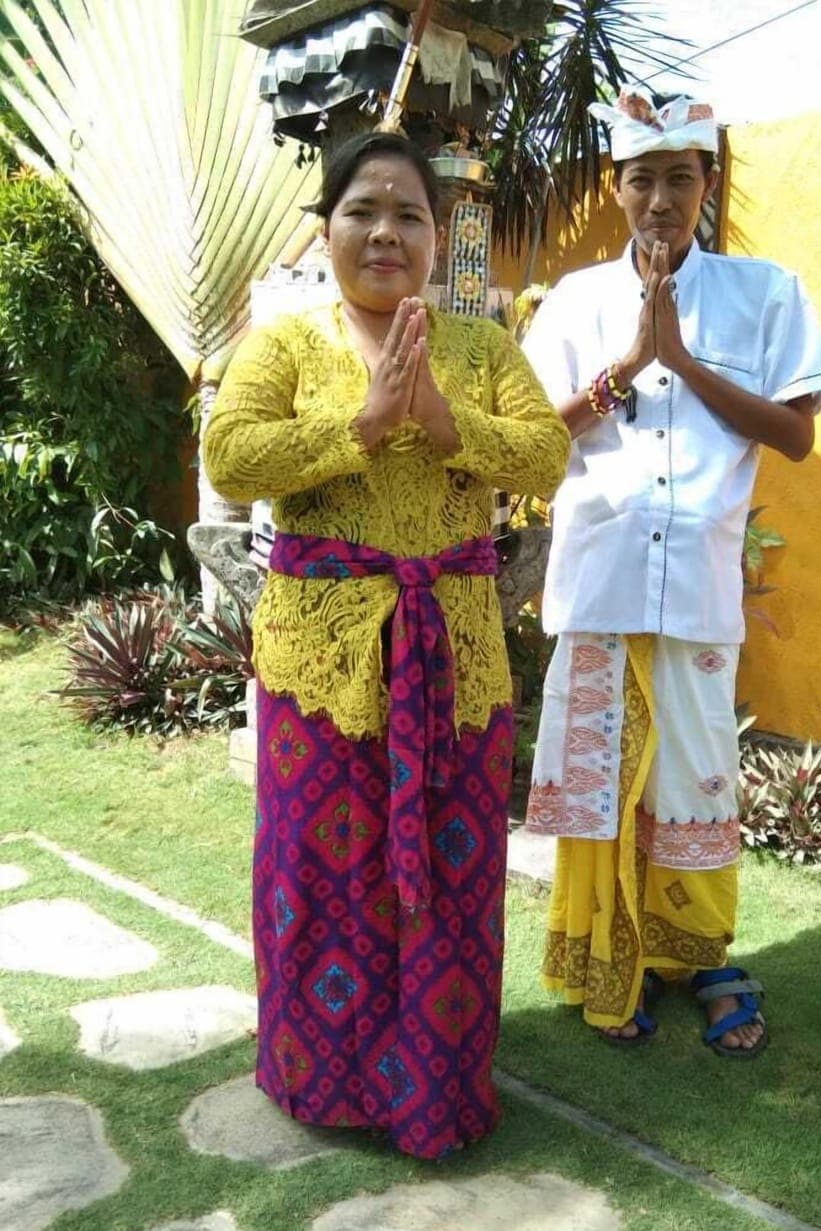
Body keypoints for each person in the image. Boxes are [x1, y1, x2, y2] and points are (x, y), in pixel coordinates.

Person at [203, 131, 569, 1157]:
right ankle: (325, 1076)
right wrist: (358, 426)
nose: (385, 232)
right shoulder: (282, 344)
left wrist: (450, 428)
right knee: (325, 869)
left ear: (437, 234)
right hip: (321, 664)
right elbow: (229, 453)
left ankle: (437, 1081)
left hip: (454, 657)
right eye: (364, 209)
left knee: (454, 870)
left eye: (410, 214)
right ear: (327, 228)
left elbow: (547, 448)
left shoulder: (483, 346)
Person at [522, 91, 821, 1057]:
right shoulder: (575, 301)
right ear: (615, 189)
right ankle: (603, 955)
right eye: (641, 180)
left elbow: (794, 436)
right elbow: (535, 445)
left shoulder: (766, 291)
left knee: (697, 777)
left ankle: (699, 957)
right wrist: (626, 365)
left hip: (698, 591)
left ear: (707, 183)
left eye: (680, 178)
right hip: (602, 581)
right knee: (600, 779)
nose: (660, 200)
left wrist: (685, 362)